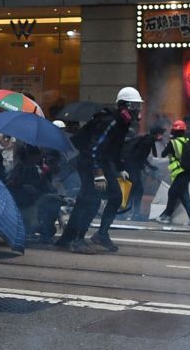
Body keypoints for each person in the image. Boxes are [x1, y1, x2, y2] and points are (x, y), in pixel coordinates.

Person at [55, 87, 141, 253]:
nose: (138, 110)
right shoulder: (111, 121)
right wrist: (98, 174)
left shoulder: (122, 123)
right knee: (90, 199)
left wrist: (120, 168)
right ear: (124, 106)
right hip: (90, 162)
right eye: (135, 105)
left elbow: (113, 149)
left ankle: (97, 235)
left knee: (114, 197)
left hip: (101, 162)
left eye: (138, 105)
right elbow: (94, 149)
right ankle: (78, 239)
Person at [156, 120, 190, 225]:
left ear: (174, 130)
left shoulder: (173, 142)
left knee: (175, 193)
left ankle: (167, 216)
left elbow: (163, 154)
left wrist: (169, 141)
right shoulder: (188, 140)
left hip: (181, 172)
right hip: (189, 171)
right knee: (181, 195)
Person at [121, 125, 163, 221]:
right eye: (161, 134)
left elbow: (141, 156)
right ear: (157, 134)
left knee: (133, 190)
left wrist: (149, 167)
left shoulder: (147, 140)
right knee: (138, 190)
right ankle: (134, 213)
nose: (162, 137)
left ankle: (126, 212)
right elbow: (138, 155)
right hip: (132, 167)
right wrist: (143, 166)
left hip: (132, 167)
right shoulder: (148, 141)